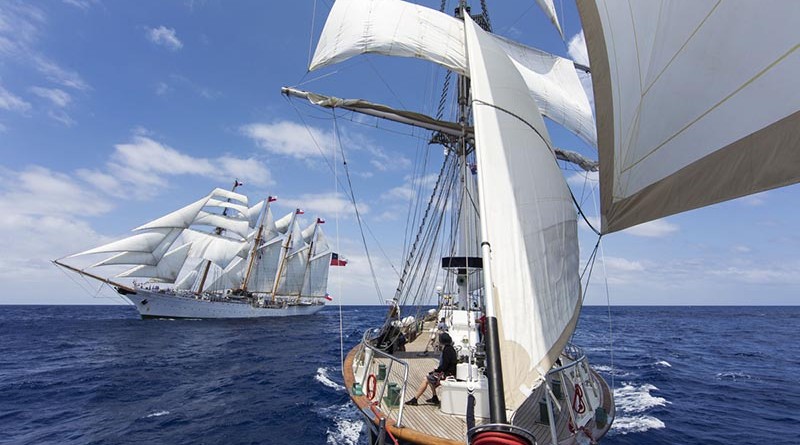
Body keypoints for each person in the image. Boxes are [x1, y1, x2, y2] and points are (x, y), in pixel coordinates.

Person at [406, 332, 457, 406]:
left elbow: (444, 366)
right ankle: (434, 397)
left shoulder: (446, 350)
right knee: (430, 378)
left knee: (426, 378)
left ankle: (415, 399)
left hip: (447, 374)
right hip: (450, 372)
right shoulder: (451, 349)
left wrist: (435, 371)